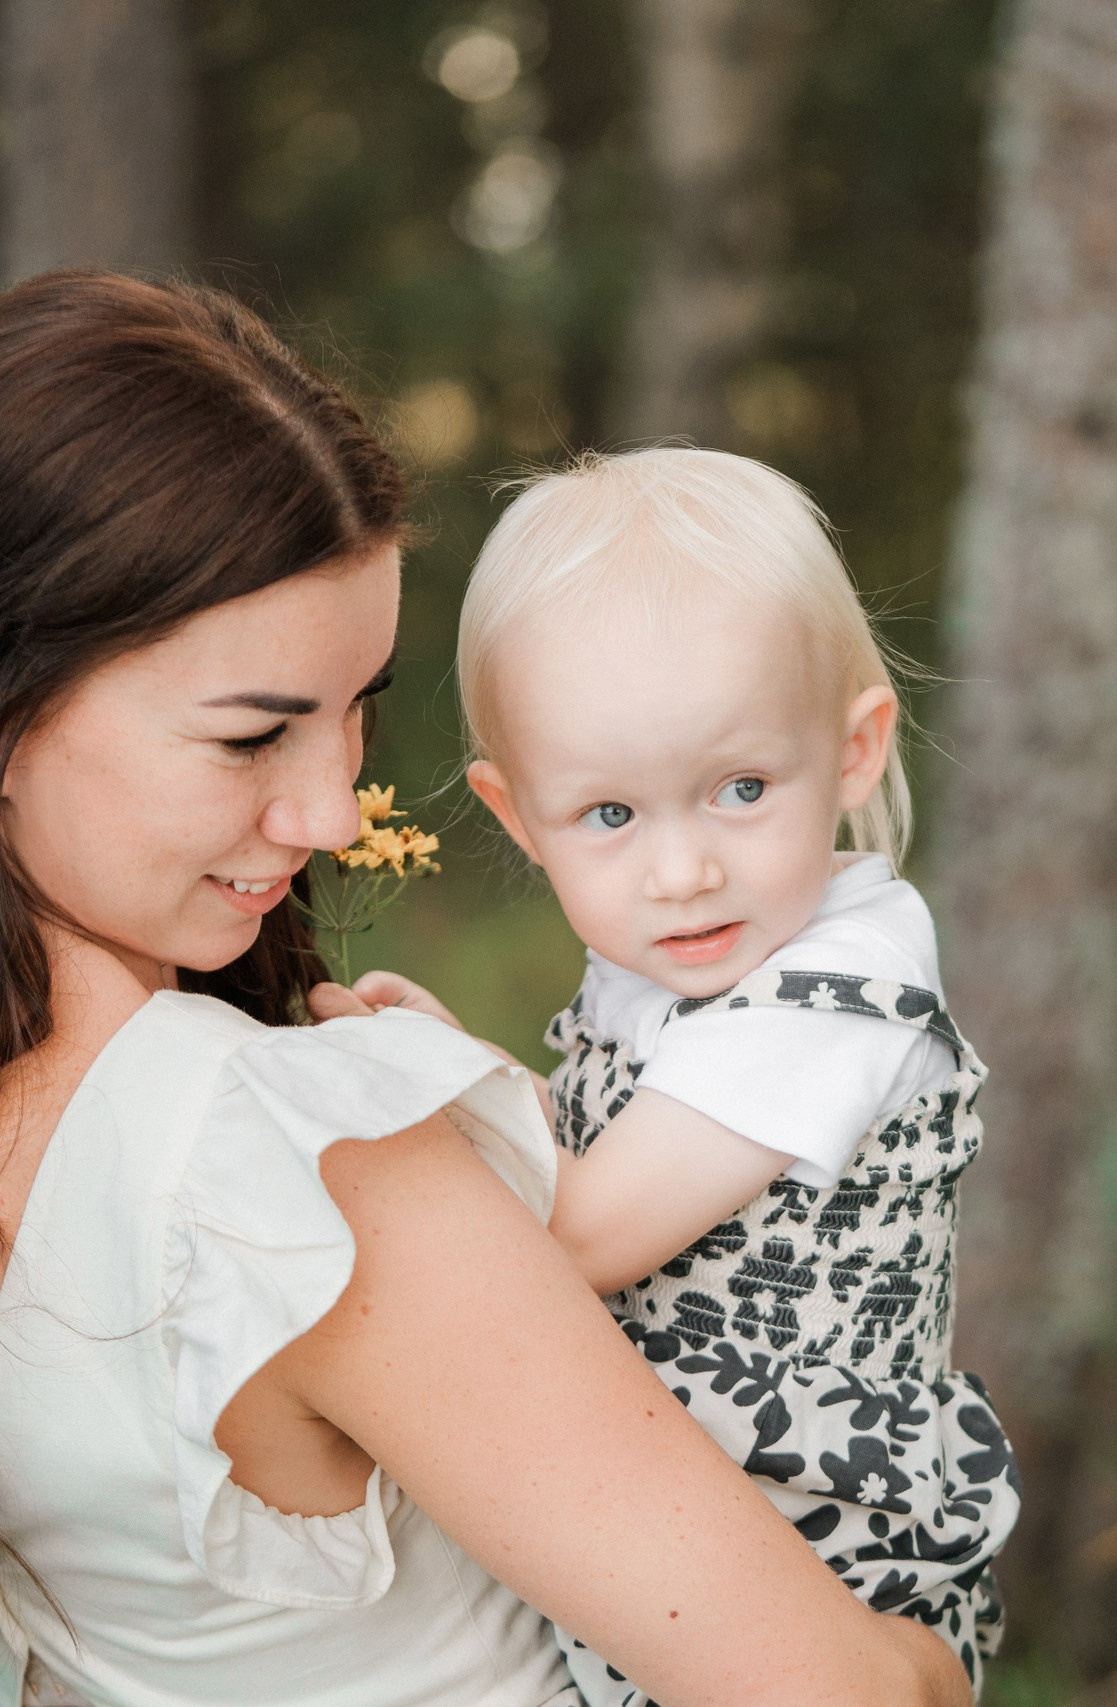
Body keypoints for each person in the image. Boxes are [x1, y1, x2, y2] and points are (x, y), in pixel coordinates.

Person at [0, 271, 971, 1707]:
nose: (335, 813)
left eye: (358, 710)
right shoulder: (287, 1177)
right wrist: (926, 1654)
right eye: (250, 737)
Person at [337, 449, 1018, 1705]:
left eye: (741, 790)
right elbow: (604, 1155)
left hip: (827, 1570)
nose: (682, 870)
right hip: (685, 1546)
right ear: (518, 816)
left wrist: (420, 1111)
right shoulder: (687, 965)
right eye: (610, 816)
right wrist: (478, 1071)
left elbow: (589, 1228)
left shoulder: (839, 989)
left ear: (856, 749)